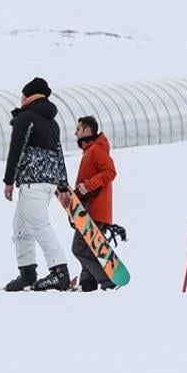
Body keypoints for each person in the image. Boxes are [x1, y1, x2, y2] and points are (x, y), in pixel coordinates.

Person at [2, 77, 71, 291]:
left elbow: (17, 148)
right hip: (47, 182)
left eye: (23, 94)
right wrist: (62, 184)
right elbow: (59, 153)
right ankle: (27, 273)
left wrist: (8, 180)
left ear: (29, 95)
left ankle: (60, 272)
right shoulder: (52, 122)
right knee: (21, 227)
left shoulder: (26, 118)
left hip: (33, 180)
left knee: (39, 224)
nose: (21, 98)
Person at [71, 115, 117, 291]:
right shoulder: (89, 151)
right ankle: (88, 282)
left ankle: (107, 280)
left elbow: (110, 172)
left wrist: (88, 186)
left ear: (87, 130)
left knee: (79, 247)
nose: (75, 133)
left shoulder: (97, 150)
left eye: (78, 129)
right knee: (90, 247)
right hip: (88, 208)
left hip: (96, 209)